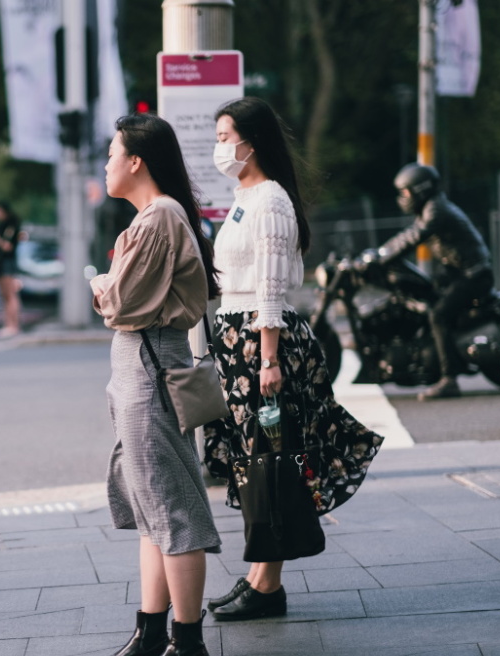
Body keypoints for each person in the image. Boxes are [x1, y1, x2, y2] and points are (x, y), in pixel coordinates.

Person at [201, 97, 384, 622]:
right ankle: (260, 576)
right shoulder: (243, 197)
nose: (218, 147)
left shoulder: (271, 201)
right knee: (253, 461)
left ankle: (268, 585)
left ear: (250, 143)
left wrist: (269, 359)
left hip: (263, 344)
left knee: (271, 460)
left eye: (223, 137)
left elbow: (271, 287)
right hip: (238, 341)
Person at [90, 113, 222, 656]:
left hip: (148, 367)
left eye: (112, 153)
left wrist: (99, 284)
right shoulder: (153, 216)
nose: (106, 165)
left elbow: (121, 304)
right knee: (152, 510)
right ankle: (150, 632)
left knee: (172, 510)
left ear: (136, 160)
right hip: (139, 368)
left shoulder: (159, 216)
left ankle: (186, 642)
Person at [373, 162, 493, 400]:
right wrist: (380, 253)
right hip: (459, 274)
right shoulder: (431, 207)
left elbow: (415, 236)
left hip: (473, 276)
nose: (403, 197)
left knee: (438, 315)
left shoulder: (436, 210)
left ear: (420, 189)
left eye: (405, 192)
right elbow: (409, 233)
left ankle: (449, 380)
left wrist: (382, 257)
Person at [0, 201, 22, 337]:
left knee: (10, 294)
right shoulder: (2, 226)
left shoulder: (11, 226)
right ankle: (8, 324)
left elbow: (9, 246)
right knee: (5, 296)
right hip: (2, 263)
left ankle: (13, 325)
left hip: (7, 262)